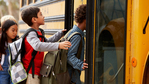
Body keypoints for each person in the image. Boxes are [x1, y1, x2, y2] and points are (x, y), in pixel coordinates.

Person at [21, 6, 71, 84]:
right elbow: (38, 46)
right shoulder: (31, 34)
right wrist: (58, 45)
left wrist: (59, 34)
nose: (43, 16)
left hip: (38, 70)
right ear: (34, 19)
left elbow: (46, 42)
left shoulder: (39, 32)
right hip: (31, 73)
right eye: (41, 14)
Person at [67, 4, 88, 84]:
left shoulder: (73, 32)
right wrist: (80, 64)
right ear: (86, 20)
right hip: (73, 77)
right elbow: (70, 56)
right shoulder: (77, 36)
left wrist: (82, 61)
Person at [0, 20, 18, 84]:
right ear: (5, 30)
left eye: (16, 31)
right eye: (13, 30)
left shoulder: (17, 42)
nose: (15, 33)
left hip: (15, 70)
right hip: (3, 71)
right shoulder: (1, 42)